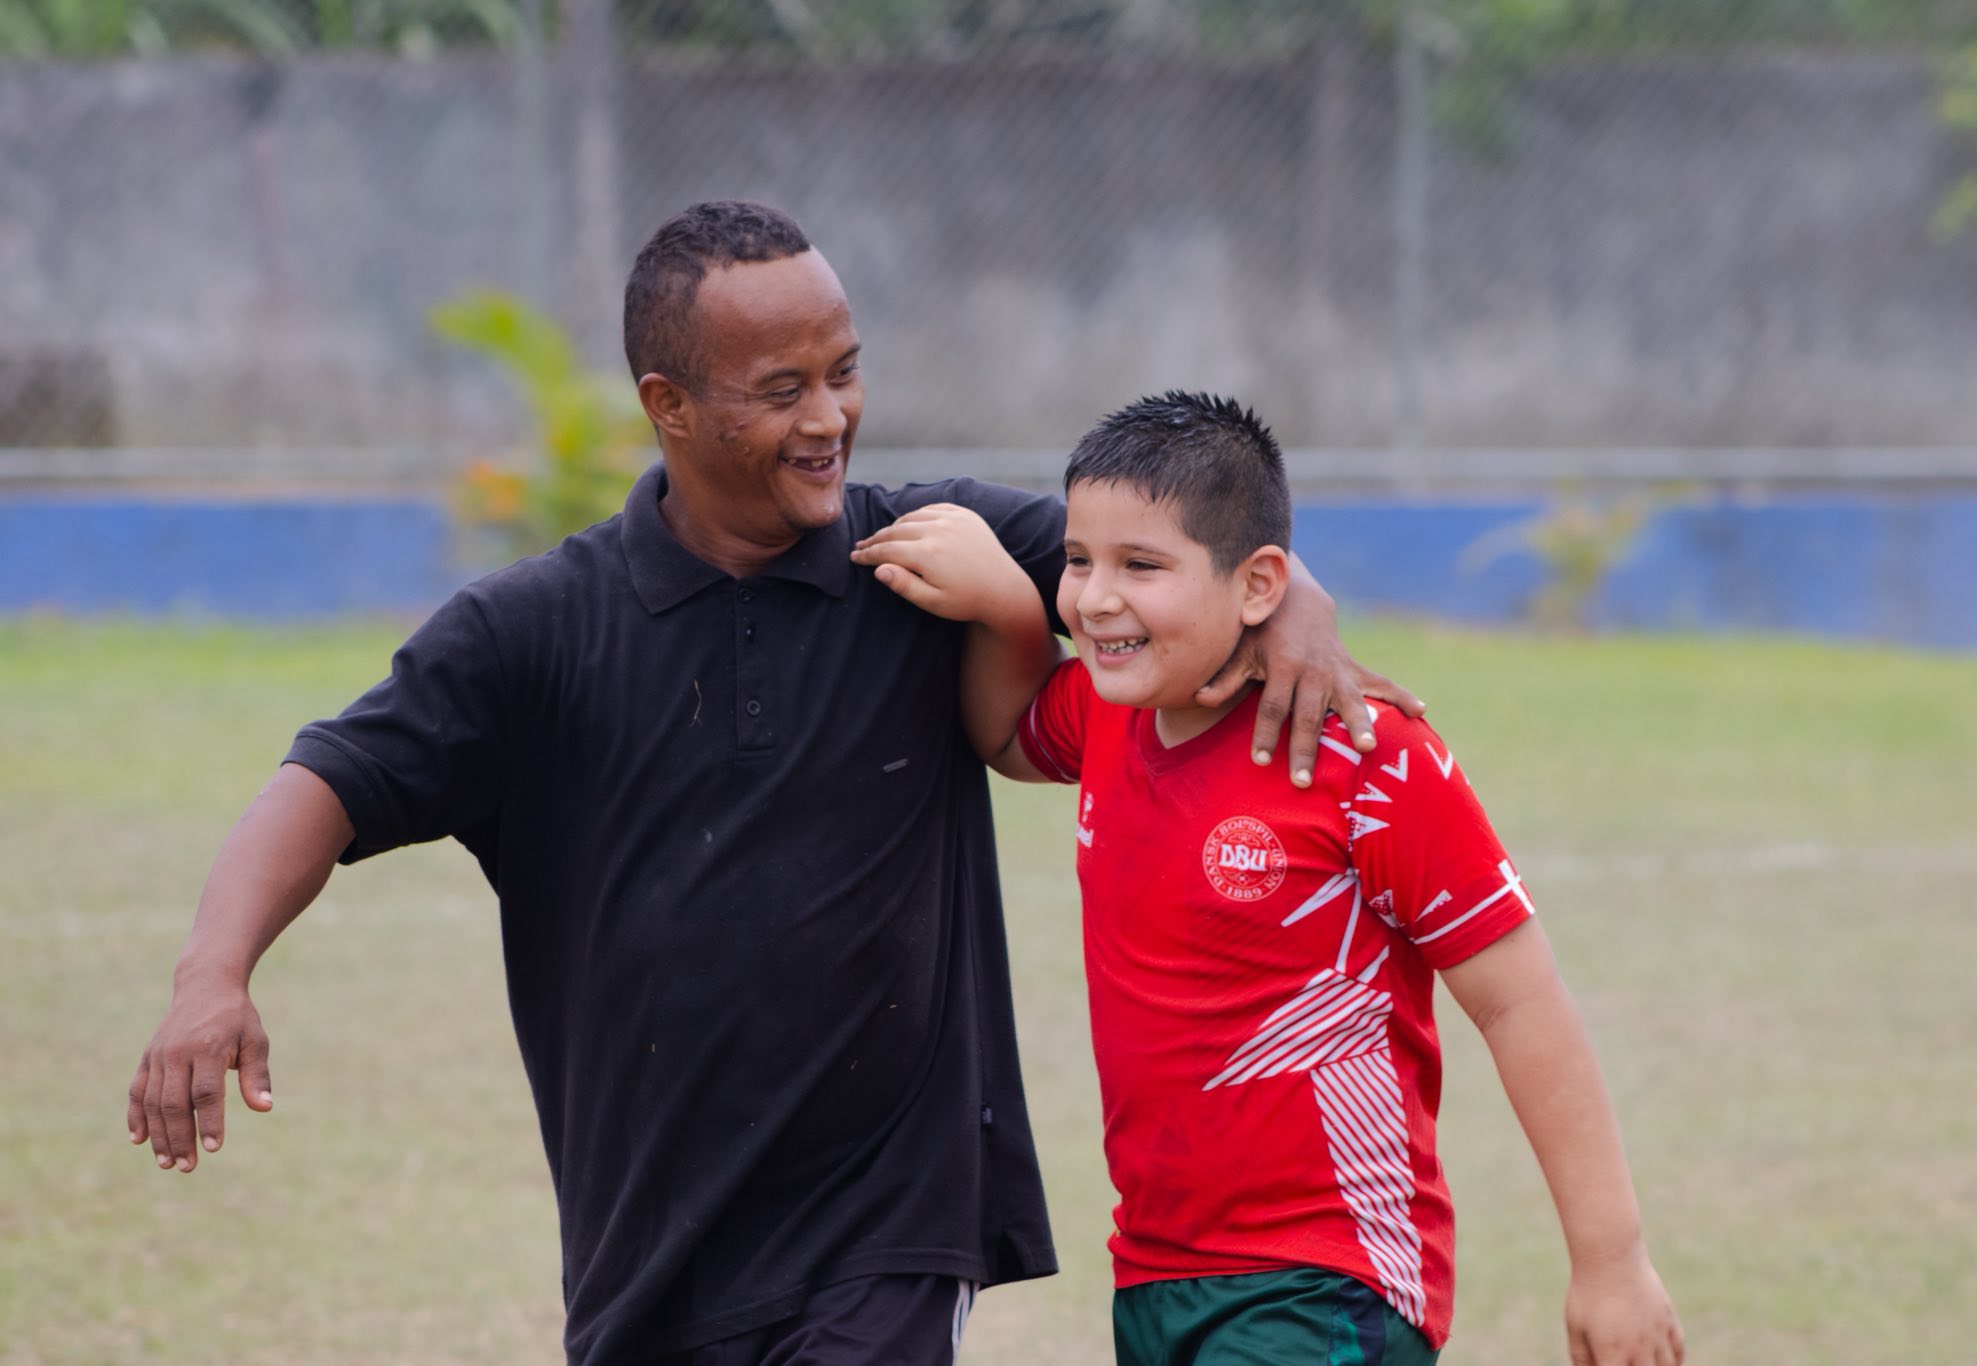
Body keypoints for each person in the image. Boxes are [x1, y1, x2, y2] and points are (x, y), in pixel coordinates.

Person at [125, 205, 1421, 1365]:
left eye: (844, 371)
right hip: (649, 1250)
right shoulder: (533, 634)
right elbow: (331, 778)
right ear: (670, 404)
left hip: (887, 1229)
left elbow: (1168, 555)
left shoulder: (924, 552)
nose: (829, 417)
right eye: (782, 388)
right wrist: (211, 970)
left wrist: (1295, 599)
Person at [852, 391, 1685, 1365]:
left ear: (1260, 586)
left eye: (1140, 566)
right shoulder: (1106, 713)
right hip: (1154, 1271)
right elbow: (1004, 733)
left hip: (1327, 1275)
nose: (1094, 599)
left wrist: (1610, 1260)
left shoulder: (1367, 757)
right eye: (1077, 561)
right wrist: (1008, 604)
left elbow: (1520, 1005)